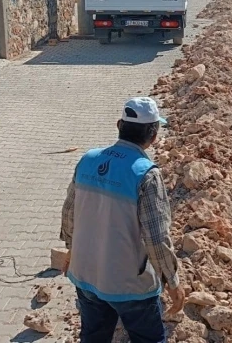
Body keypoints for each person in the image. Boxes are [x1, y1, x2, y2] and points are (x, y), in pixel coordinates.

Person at [60, 97, 184, 343]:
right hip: (129, 285)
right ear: (154, 135)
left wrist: (70, 251)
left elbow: (69, 213)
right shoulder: (146, 174)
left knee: (93, 337)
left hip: (85, 275)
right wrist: (172, 281)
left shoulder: (88, 159)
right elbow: (157, 238)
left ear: (119, 125)